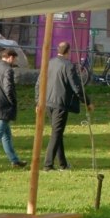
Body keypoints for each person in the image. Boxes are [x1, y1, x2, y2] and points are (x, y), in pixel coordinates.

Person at [43, 42, 87, 171]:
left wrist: (38, 100)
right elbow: (76, 87)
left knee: (58, 132)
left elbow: (39, 83)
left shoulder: (50, 63)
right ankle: (48, 165)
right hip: (60, 103)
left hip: (48, 102)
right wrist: (87, 101)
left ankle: (62, 164)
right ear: (69, 51)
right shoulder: (68, 66)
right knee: (56, 133)